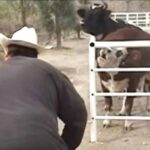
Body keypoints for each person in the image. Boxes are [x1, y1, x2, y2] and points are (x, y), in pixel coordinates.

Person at [0, 27, 87, 150]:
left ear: (8, 52)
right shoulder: (50, 72)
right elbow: (78, 115)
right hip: (43, 143)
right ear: (36, 54)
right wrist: (65, 145)